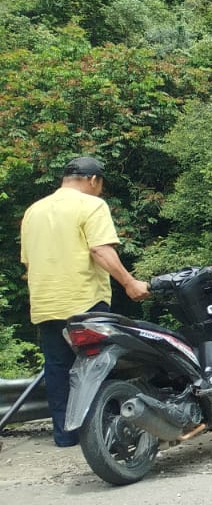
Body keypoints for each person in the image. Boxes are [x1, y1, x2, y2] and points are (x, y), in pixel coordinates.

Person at [19, 156, 150, 446]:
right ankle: (102, 435)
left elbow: (28, 263)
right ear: (93, 180)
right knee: (99, 366)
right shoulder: (91, 205)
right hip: (84, 302)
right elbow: (100, 250)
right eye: (100, 184)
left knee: (58, 369)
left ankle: (66, 437)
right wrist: (129, 283)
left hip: (45, 304)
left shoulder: (33, 211)